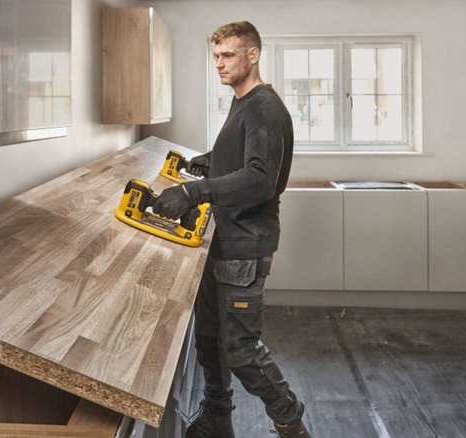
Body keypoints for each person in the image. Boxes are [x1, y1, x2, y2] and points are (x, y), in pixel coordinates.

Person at [152, 21, 311, 438]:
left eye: (228, 56)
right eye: (216, 56)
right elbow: (242, 157)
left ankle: (291, 423)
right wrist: (208, 161)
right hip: (222, 242)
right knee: (208, 338)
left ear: (253, 55)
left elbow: (260, 178)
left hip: (245, 246)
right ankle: (218, 418)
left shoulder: (262, 106)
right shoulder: (241, 103)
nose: (219, 65)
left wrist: (193, 191)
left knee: (241, 351)